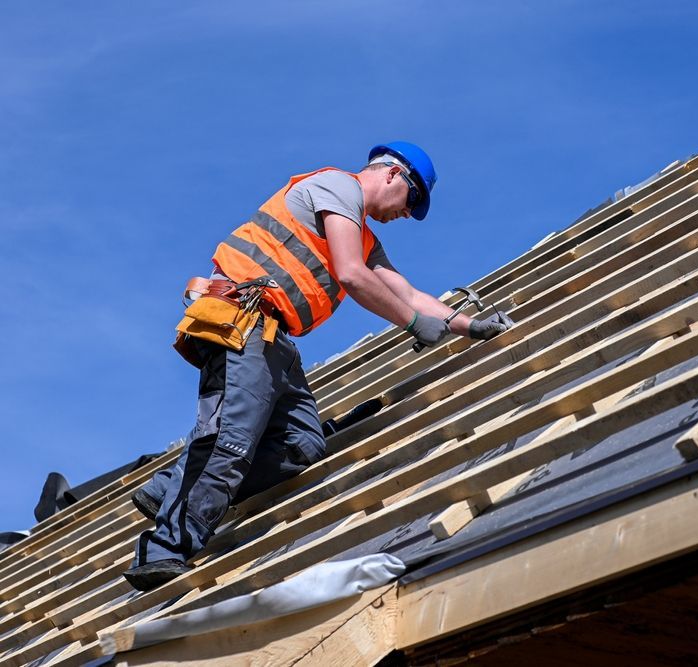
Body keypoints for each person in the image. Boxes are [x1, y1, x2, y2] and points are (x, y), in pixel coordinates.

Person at [124, 142, 512, 591]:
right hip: (244, 321)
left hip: (274, 340)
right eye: (412, 201)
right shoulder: (336, 188)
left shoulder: (365, 238)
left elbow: (410, 295)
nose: (407, 214)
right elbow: (350, 274)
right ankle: (165, 548)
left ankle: (169, 487)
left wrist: (469, 326)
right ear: (392, 175)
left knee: (302, 442)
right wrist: (411, 324)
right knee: (230, 440)